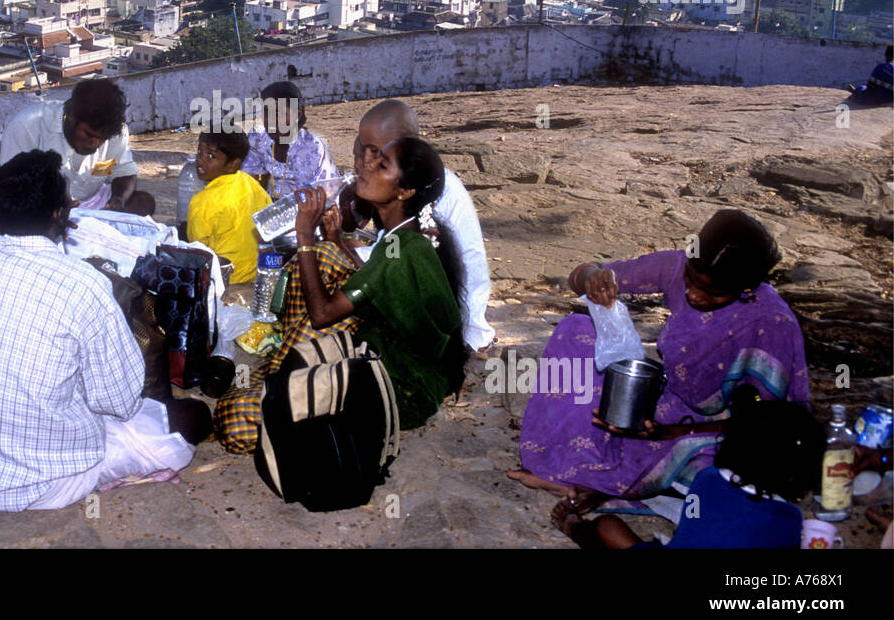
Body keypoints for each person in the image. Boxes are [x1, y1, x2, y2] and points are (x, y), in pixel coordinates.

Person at [0, 149, 207, 511]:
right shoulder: (83, 285)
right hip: (47, 478)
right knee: (193, 418)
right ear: (61, 214)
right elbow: (118, 403)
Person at [508, 209, 811, 520]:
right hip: (666, 396)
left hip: (719, 423)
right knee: (576, 331)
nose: (695, 295)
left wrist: (676, 432)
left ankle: (607, 484)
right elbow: (584, 274)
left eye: (713, 293)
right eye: (692, 282)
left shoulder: (771, 322)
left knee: (722, 465)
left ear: (746, 287)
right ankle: (590, 471)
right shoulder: (678, 265)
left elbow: (771, 423)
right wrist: (593, 279)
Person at [213, 136, 467, 453]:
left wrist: (305, 235)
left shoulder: (399, 249)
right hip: (376, 349)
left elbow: (322, 315)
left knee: (234, 420)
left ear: (404, 191)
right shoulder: (403, 236)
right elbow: (370, 281)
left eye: (382, 164)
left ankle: (309, 407)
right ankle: (289, 375)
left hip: (400, 386)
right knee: (324, 257)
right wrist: (334, 240)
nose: (366, 165)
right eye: (372, 158)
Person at [553, 387, 824, 549]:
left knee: (608, 528)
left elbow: (694, 522)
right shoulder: (788, 518)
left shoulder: (707, 480)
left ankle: (576, 528)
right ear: (797, 474)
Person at [342, 99, 494, 351]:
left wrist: (341, 245)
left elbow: (392, 265)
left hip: (450, 329)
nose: (365, 163)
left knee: (328, 266)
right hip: (426, 302)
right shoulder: (414, 181)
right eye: (362, 152)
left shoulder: (435, 191)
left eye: (375, 153)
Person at [0, 78, 154, 216]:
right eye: (89, 135)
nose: (96, 144)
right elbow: (12, 188)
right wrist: (56, 210)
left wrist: (118, 200)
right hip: (44, 207)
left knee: (143, 202)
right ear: (72, 117)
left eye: (103, 139)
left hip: (94, 204)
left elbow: (125, 172)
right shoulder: (28, 125)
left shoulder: (116, 132)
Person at [187, 127, 272, 284]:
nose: (201, 160)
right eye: (200, 152)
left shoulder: (201, 202)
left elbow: (198, 252)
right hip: (256, 276)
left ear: (233, 164)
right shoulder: (251, 183)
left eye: (211, 156)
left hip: (224, 281)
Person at [241, 80, 339, 200]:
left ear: (296, 115)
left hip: (307, 210)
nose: (270, 120)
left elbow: (322, 197)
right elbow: (248, 183)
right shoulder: (259, 138)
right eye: (266, 111)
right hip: (267, 210)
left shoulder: (312, 148)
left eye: (277, 113)